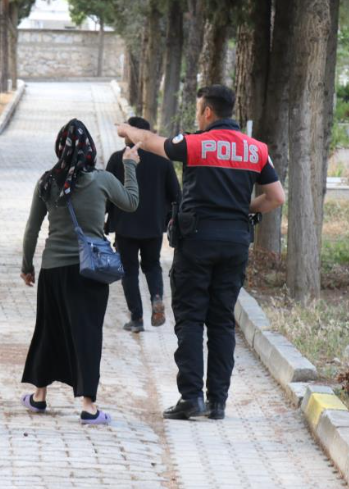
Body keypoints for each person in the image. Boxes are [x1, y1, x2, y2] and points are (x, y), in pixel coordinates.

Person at [117, 85, 285, 421]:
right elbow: (276, 196)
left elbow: (151, 142)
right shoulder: (256, 150)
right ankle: (218, 402)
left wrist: (126, 129)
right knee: (222, 321)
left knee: (192, 318)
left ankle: (190, 397)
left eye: (198, 109)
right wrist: (243, 208)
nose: (197, 115)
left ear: (208, 111)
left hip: (197, 241)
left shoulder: (196, 143)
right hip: (236, 242)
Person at [20, 119, 140, 425]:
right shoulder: (102, 180)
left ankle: (39, 397)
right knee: (86, 334)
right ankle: (88, 406)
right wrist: (130, 166)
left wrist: (27, 266)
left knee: (49, 330)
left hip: (53, 270)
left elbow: (32, 229)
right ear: (90, 149)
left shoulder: (47, 181)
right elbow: (131, 204)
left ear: (60, 147)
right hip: (90, 272)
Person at [106, 116, 181, 333]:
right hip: (153, 226)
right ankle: (156, 297)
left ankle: (137, 318)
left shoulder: (116, 159)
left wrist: (105, 220)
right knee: (152, 265)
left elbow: (107, 194)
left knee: (129, 271)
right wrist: (168, 218)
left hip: (124, 226)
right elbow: (176, 194)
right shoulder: (163, 161)